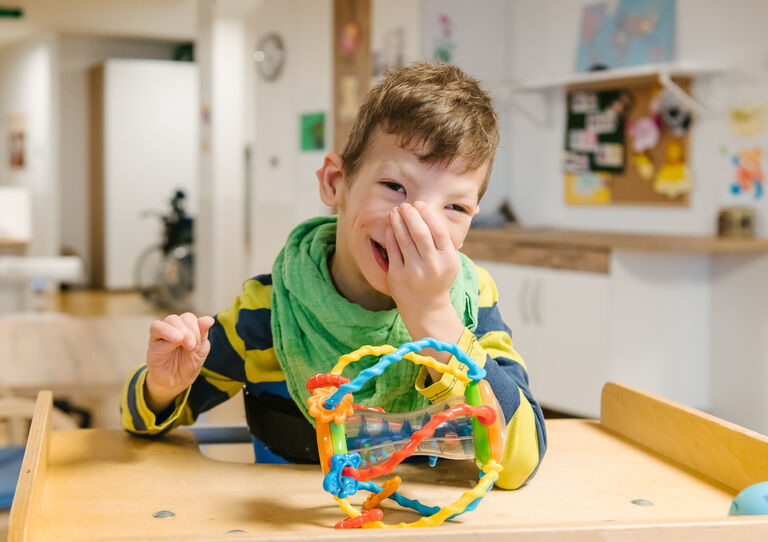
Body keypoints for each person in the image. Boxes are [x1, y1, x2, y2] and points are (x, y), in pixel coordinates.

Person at [121, 62, 546, 490]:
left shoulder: (471, 303)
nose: (419, 226)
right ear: (335, 183)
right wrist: (163, 386)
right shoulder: (268, 310)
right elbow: (143, 423)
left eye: (454, 208)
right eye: (395, 187)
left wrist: (435, 315)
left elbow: (521, 462)